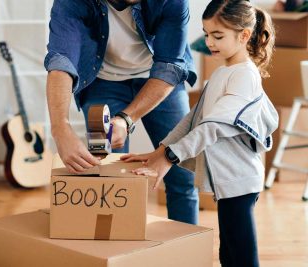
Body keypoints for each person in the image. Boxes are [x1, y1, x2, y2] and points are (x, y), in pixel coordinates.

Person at [121, 0, 278, 266]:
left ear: (244, 36)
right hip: (228, 182)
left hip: (240, 181)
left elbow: (212, 126)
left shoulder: (244, 76)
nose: (209, 42)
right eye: (206, 34)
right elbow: (193, 120)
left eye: (218, 36)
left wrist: (170, 157)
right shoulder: (222, 73)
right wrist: (160, 151)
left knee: (241, 255)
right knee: (228, 252)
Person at [44, 0, 199, 224]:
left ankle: (187, 256)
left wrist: (126, 120)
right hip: (102, 83)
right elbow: (61, 59)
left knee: (182, 173)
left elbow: (170, 66)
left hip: (160, 82)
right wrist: (60, 128)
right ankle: (116, 252)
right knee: (109, 175)